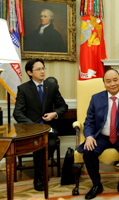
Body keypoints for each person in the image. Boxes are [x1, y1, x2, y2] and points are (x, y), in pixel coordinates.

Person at [76, 69, 119, 199]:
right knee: (88, 151)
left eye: (115, 80)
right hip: (100, 136)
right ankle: (96, 184)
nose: (112, 84)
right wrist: (89, 136)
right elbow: (89, 121)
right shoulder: (96, 99)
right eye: (108, 81)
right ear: (104, 83)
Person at [13, 58, 68, 191]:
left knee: (50, 144)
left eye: (43, 68)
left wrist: (55, 114)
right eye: (38, 69)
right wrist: (33, 126)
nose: (42, 71)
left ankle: (40, 174)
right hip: (32, 129)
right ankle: (40, 177)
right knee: (39, 146)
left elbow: (63, 106)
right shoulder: (23, 89)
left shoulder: (52, 87)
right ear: (29, 72)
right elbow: (17, 113)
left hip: (48, 128)